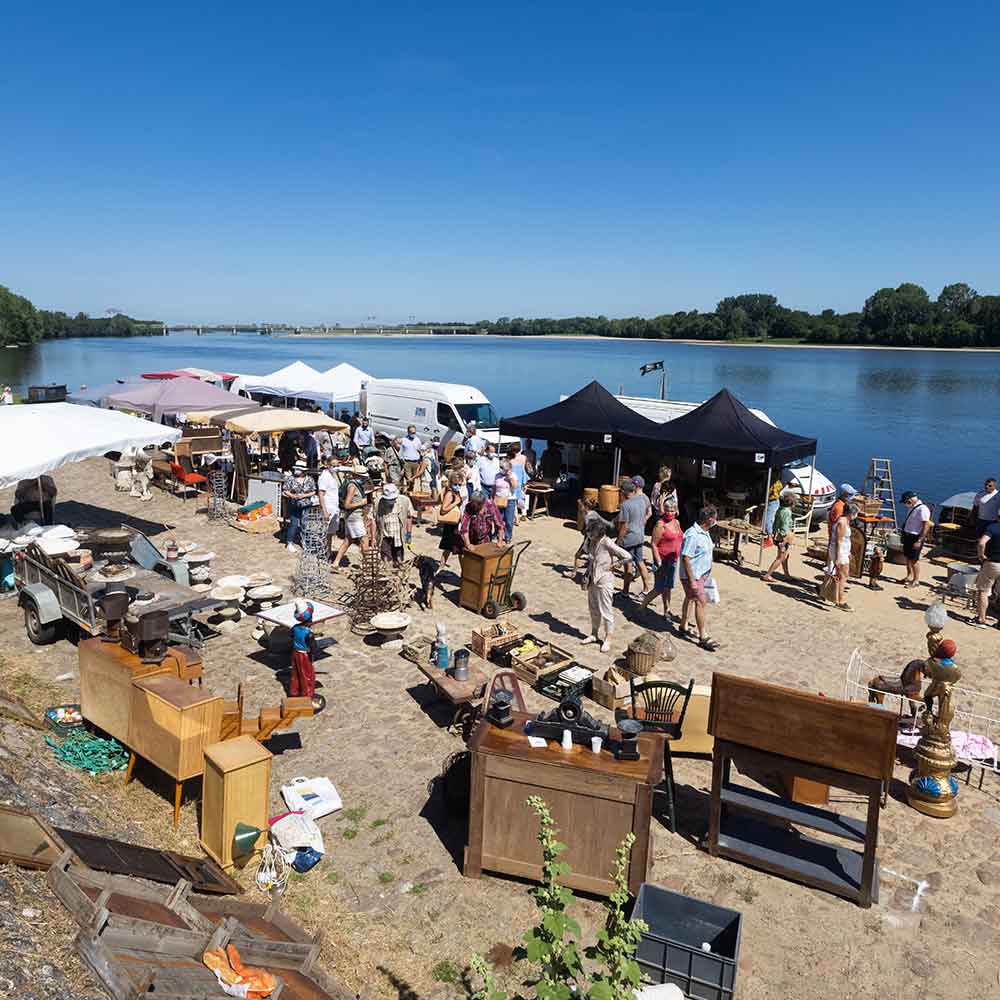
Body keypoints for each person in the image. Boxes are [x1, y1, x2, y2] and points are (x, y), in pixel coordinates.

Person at [581, 516, 634, 653]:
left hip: (605, 580)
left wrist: (615, 565)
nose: (590, 535)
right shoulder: (591, 541)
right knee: (593, 608)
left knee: (606, 610)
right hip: (593, 579)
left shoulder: (607, 542)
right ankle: (594, 633)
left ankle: (608, 638)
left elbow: (627, 556)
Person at [678, 505, 719, 651]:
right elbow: (686, 558)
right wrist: (692, 581)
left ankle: (683, 625)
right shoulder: (693, 535)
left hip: (701, 574)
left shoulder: (704, 532)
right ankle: (703, 636)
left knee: (690, 598)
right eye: (715, 517)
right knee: (700, 602)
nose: (716, 520)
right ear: (709, 519)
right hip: (693, 576)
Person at [641, 497, 683, 619]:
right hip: (662, 560)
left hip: (673, 560)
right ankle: (642, 606)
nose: (670, 513)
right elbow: (653, 543)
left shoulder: (677, 523)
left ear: (676, 511)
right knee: (659, 588)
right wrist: (658, 561)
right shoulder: (660, 524)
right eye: (667, 510)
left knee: (668, 586)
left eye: (672, 510)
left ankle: (667, 610)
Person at [616, 480, 653, 598]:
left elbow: (624, 526)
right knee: (640, 562)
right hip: (640, 536)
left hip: (629, 538)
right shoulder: (642, 500)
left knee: (628, 565)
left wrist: (618, 541)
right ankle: (647, 589)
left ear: (623, 492)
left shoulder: (625, 505)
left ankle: (625, 592)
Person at [289, 600, 324, 712]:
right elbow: (314, 648)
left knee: (296, 674)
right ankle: (308, 697)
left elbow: (291, 636)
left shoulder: (295, 628)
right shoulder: (308, 634)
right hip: (304, 656)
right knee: (307, 676)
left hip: (295, 653)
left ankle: (295, 692)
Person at [333, 467, 370, 569]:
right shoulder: (352, 486)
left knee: (348, 540)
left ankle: (336, 562)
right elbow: (347, 505)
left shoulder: (355, 485)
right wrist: (361, 503)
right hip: (354, 517)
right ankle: (367, 564)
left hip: (353, 517)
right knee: (364, 539)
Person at [826, 501, 859, 610]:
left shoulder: (844, 521)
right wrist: (838, 557)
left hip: (843, 551)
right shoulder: (842, 523)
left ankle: (837, 598)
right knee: (842, 577)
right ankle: (840, 601)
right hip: (839, 552)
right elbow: (838, 541)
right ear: (851, 513)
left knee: (842, 576)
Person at [971, 510, 1000, 628]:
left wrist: (981, 556)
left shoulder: (993, 527)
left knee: (983, 591)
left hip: (992, 563)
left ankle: (981, 619)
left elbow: (982, 543)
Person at [282, 460, 316, 551]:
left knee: (305, 524)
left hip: (306, 504)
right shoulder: (290, 478)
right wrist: (293, 496)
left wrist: (304, 495)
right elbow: (285, 490)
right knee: (293, 523)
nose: (297, 470)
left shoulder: (310, 479)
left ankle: (304, 541)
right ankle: (289, 542)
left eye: (299, 469)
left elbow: (313, 491)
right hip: (294, 504)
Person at [900, 490, 931, 588]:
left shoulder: (923, 509)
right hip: (908, 535)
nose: (905, 504)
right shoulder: (913, 507)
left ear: (909, 500)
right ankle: (909, 576)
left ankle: (916, 580)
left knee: (914, 559)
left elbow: (926, 525)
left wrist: (919, 540)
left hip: (915, 537)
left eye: (905, 502)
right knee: (908, 557)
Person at [375, 483, 413, 564]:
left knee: (398, 560)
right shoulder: (377, 502)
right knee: (386, 560)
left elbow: (409, 518)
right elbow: (374, 520)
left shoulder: (404, 501)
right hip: (385, 534)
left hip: (398, 535)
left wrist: (408, 534)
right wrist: (373, 537)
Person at [762, 493, 795, 583]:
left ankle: (787, 575)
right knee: (781, 557)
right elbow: (784, 527)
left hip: (778, 535)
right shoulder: (786, 512)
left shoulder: (780, 510)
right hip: (783, 537)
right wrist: (784, 541)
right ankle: (767, 575)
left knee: (785, 556)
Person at [438, 470, 466, 569]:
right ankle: (465, 571)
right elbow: (443, 509)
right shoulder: (450, 494)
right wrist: (456, 502)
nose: (457, 486)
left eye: (459, 484)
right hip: (452, 525)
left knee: (448, 548)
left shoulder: (454, 492)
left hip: (453, 524)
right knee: (460, 549)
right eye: (455, 484)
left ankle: (440, 568)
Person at [316, 455, 341, 553]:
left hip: (334, 507)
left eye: (336, 465)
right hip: (328, 508)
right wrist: (324, 511)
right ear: (328, 465)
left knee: (330, 533)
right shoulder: (324, 476)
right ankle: (324, 553)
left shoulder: (333, 476)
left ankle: (328, 552)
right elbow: (321, 494)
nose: (335, 467)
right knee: (325, 533)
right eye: (333, 465)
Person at [494, 460, 517, 542]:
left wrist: (510, 478)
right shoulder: (497, 475)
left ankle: (508, 536)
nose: (501, 469)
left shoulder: (513, 475)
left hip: (509, 499)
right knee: (498, 518)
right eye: (501, 467)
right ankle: (497, 533)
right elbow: (494, 487)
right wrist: (493, 497)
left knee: (509, 520)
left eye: (503, 468)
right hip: (498, 499)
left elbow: (515, 486)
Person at [509, 443, 529, 522]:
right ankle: (524, 513)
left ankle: (516, 516)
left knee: (513, 496)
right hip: (522, 477)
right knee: (522, 496)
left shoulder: (510, 459)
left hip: (513, 478)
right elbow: (525, 468)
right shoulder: (524, 457)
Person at [400, 425, 424, 489]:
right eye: (412, 432)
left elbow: (420, 450)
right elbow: (401, 452)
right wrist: (402, 462)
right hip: (407, 462)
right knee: (409, 478)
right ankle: (408, 491)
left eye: (414, 432)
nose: (413, 434)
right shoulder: (404, 440)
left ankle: (410, 490)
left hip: (416, 462)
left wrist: (420, 460)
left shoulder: (417, 440)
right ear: (408, 432)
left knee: (413, 480)